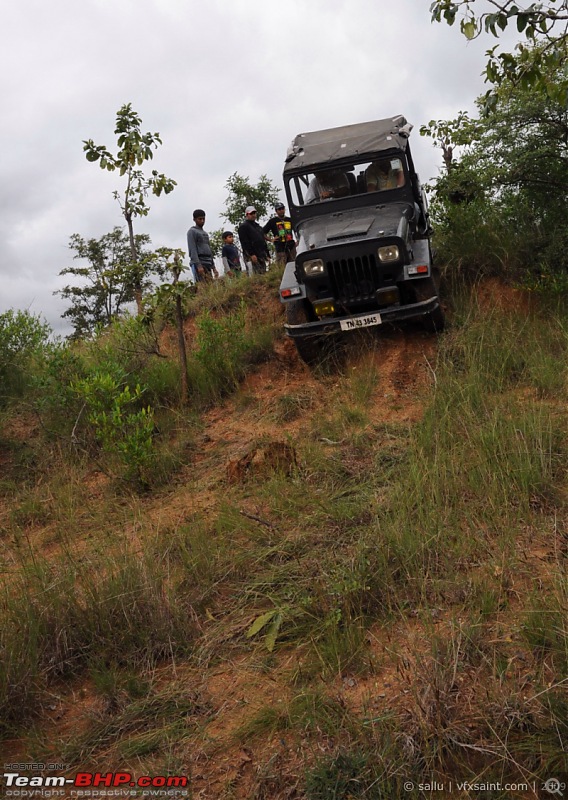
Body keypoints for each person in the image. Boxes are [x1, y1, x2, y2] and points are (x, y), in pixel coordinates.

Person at [187, 209, 218, 282]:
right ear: (194, 219)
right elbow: (192, 249)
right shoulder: (192, 231)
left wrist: (213, 267)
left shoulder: (205, 233)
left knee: (210, 286)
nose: (202, 221)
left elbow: (209, 250)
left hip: (208, 262)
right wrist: (198, 265)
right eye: (199, 219)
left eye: (203, 219)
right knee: (202, 286)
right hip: (199, 262)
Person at [238, 206, 270, 274]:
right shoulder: (243, 227)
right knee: (254, 275)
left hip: (261, 254)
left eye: (254, 213)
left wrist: (267, 254)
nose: (253, 215)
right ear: (247, 214)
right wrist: (251, 254)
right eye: (251, 213)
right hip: (251, 255)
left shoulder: (258, 227)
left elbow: (263, 241)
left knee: (263, 273)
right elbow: (244, 242)